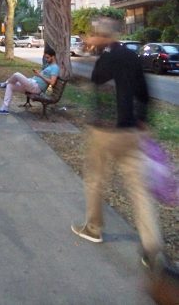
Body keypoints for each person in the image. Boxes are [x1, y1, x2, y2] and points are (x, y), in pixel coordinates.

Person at [70, 19, 167, 276]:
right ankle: (151, 246)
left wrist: (90, 53)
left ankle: (93, 228)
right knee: (138, 189)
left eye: (95, 35)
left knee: (95, 179)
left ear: (102, 37)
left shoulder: (105, 58)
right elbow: (144, 93)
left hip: (104, 131)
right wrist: (143, 120)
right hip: (131, 131)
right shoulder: (132, 56)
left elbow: (93, 81)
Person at [0, 46, 59, 115]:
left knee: (17, 74)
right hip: (32, 83)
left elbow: (52, 82)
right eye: (45, 57)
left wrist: (39, 75)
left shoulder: (55, 68)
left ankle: (5, 83)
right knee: (10, 86)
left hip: (36, 87)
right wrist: (38, 74)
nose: (46, 59)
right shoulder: (49, 66)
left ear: (53, 57)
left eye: (47, 57)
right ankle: (4, 109)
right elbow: (44, 76)